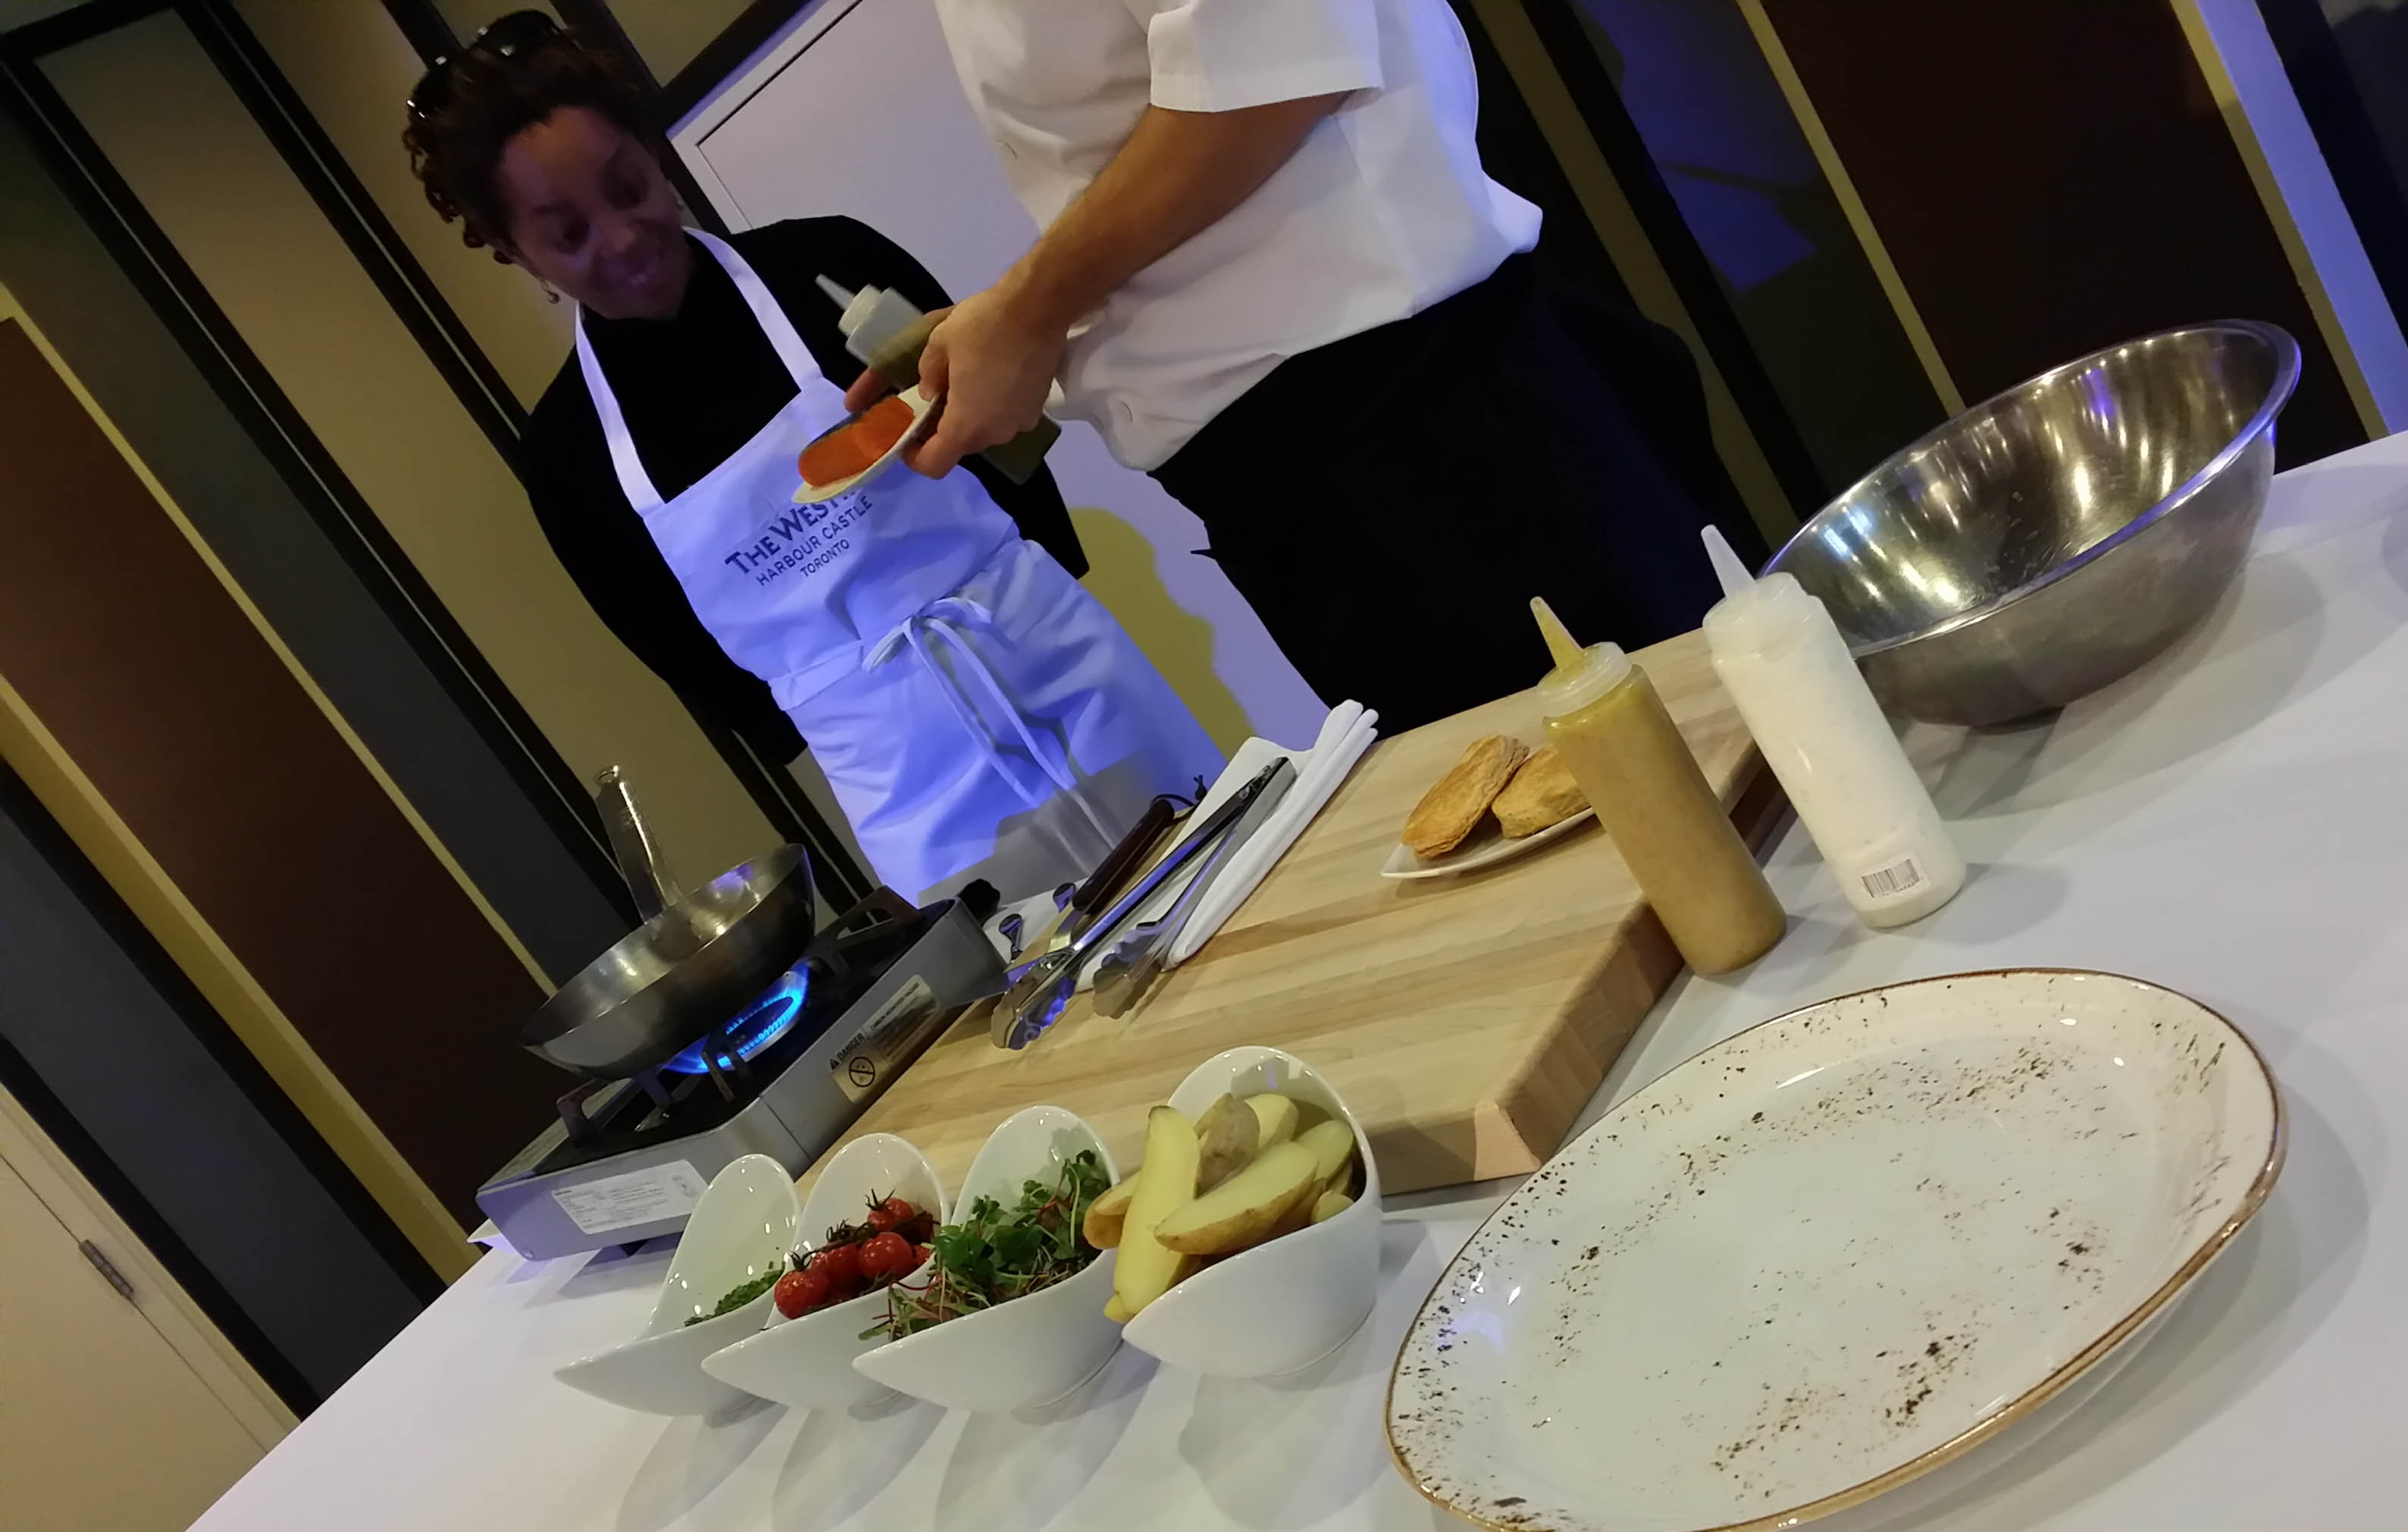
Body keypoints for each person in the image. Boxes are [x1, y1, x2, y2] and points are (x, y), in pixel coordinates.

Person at [402, 12, 1219, 905]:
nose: (623, 237)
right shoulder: (569, 458)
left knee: (1221, 881)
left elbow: (1004, 441)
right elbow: (699, 666)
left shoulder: (827, 263)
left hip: (1064, 671)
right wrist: (867, 702)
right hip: (909, 791)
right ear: (513, 251)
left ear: (652, 154)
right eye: (568, 234)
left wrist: (1020, 597)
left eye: (628, 187)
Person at [889, 0, 1749, 734]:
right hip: (1320, 470)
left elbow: (1274, 75)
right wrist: (1015, 320)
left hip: (1417, 429)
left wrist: (1030, 312)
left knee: (1697, 788)